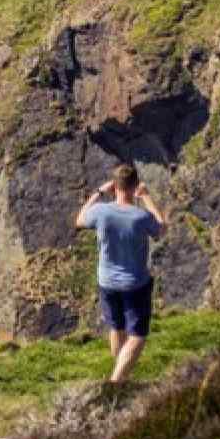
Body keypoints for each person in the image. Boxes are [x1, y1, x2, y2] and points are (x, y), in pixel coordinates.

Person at [75, 163, 166, 383]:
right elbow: (161, 229)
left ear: (114, 186)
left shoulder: (100, 212)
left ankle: (121, 374)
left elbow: (79, 220)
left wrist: (98, 193)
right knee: (137, 335)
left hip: (107, 282)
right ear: (135, 186)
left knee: (116, 327)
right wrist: (146, 198)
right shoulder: (140, 217)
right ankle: (116, 381)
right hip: (135, 284)